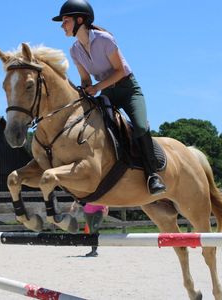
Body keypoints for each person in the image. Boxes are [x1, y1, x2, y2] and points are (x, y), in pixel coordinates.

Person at [52, 0, 166, 195]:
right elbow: (85, 79)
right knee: (97, 127)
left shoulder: (105, 40)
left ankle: (152, 175)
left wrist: (96, 87)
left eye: (65, 20)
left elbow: (120, 71)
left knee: (138, 126)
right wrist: (82, 89)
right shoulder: (74, 50)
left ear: (80, 20)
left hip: (128, 89)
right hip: (107, 92)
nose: (62, 25)